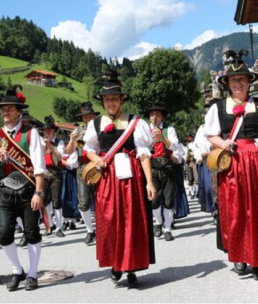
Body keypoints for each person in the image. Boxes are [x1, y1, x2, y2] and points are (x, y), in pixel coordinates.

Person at [203, 52, 258, 281]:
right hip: (233, 165)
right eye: (233, 80)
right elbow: (211, 135)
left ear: (249, 81)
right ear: (227, 84)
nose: (238, 83)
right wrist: (223, 143)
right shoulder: (218, 108)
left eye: (242, 79)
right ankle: (240, 256)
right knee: (236, 211)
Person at [83, 77, 157, 288]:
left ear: (121, 100)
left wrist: (149, 183)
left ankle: (132, 267)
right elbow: (88, 150)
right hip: (107, 178)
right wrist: (96, 159)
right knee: (110, 220)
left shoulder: (135, 122)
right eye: (107, 100)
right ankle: (116, 264)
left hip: (131, 177)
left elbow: (144, 154)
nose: (111, 103)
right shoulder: (95, 124)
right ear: (103, 102)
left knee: (132, 220)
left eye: (114, 99)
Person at [0, 87, 46, 291]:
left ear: (18, 111)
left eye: (10, 109)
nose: (5, 113)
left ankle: (32, 274)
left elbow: (39, 165)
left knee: (31, 232)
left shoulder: (31, 134)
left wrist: (39, 192)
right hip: (4, 191)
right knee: (3, 234)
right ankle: (17, 270)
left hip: (28, 190)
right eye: (3, 109)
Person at [65, 102, 99, 245]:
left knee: (101, 200)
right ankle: (90, 230)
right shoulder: (79, 130)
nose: (87, 118)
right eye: (85, 116)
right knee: (83, 202)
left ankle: (102, 228)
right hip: (83, 167)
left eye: (90, 116)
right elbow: (68, 152)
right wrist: (72, 140)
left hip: (97, 165)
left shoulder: (99, 127)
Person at [146, 101, 179, 241]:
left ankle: (167, 228)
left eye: (157, 114)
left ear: (162, 117)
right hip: (152, 167)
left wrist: (162, 137)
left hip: (167, 166)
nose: (155, 117)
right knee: (154, 200)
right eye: (152, 114)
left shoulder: (169, 129)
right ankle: (158, 222)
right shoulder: (145, 130)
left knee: (168, 200)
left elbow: (175, 146)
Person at [41, 115, 66, 237]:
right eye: (45, 130)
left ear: (54, 131)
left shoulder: (59, 142)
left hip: (56, 173)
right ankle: (49, 225)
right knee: (44, 201)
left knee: (56, 201)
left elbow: (59, 156)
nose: (47, 132)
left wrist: (49, 145)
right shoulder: (41, 142)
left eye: (50, 130)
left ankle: (59, 227)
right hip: (44, 174)